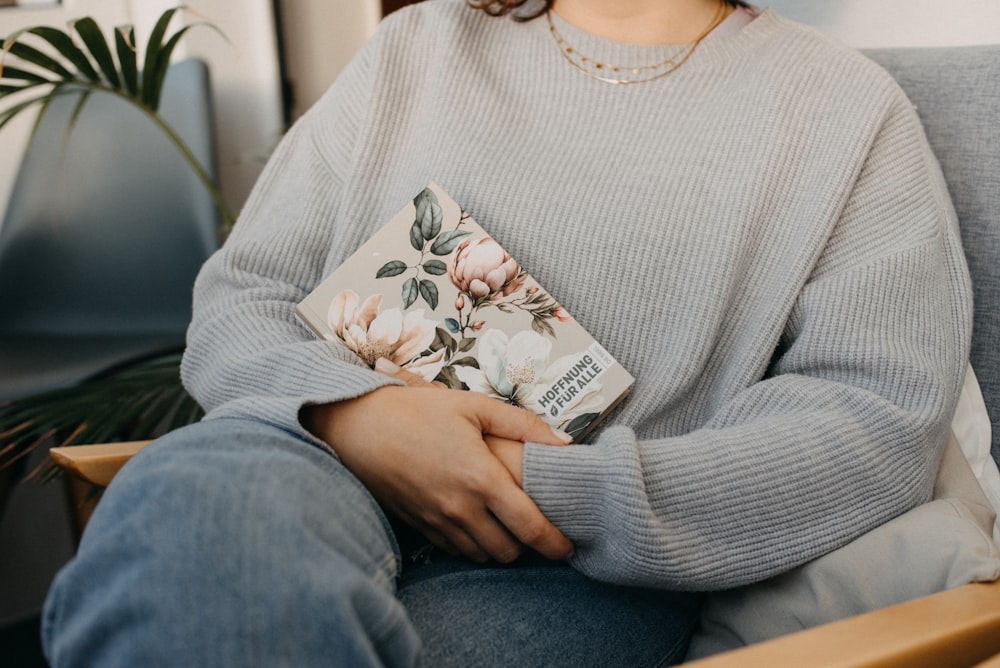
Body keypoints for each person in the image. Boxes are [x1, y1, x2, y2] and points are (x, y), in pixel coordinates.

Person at [42, 0, 972, 665]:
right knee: (202, 524)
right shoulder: (415, 47)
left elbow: (871, 425)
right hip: (304, 462)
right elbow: (244, 296)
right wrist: (352, 415)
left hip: (565, 564)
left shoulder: (848, 111)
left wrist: (541, 485)